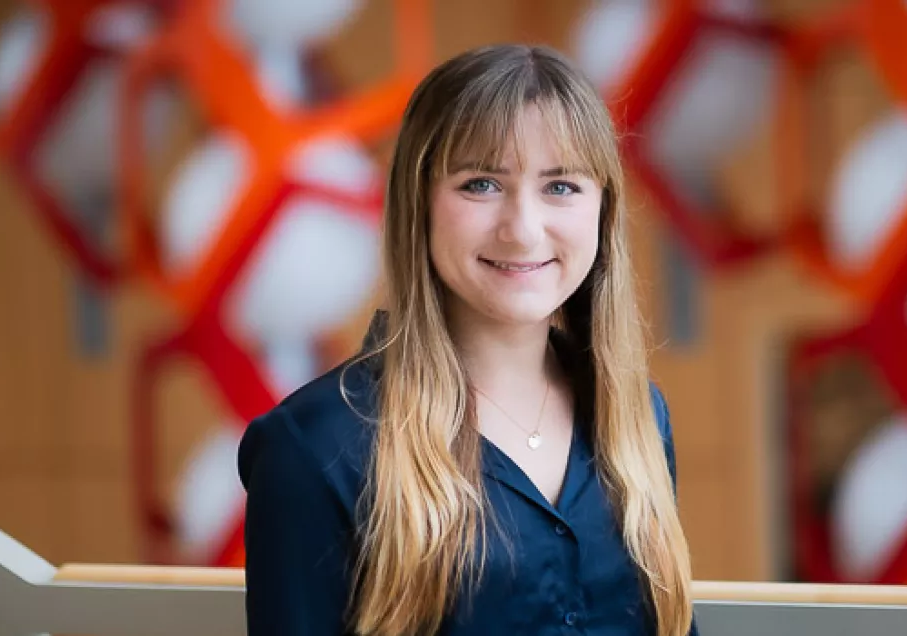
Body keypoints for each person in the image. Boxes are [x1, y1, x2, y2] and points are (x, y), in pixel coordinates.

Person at [238, 43, 700, 635]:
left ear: (603, 210)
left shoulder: (638, 418)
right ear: (419, 202)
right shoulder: (314, 449)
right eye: (481, 184)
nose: (523, 230)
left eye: (560, 186)